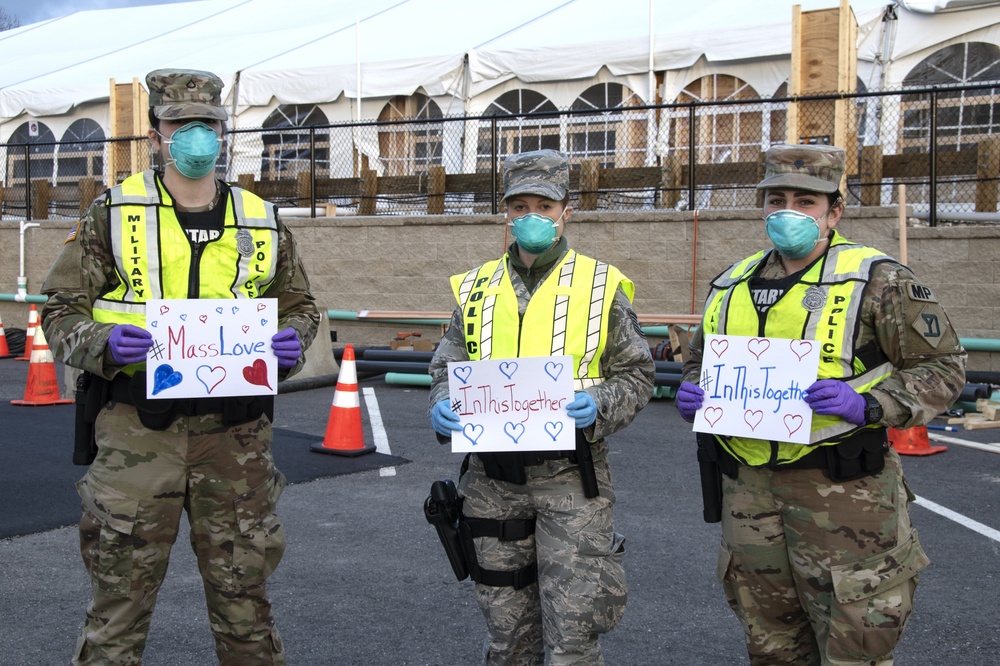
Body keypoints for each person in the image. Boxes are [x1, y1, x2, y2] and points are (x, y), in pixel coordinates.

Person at [41, 68, 320, 665]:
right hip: (137, 432)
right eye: (180, 124)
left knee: (246, 603)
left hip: (236, 438)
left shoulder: (262, 219)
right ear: (155, 134)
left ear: (223, 133)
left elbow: (300, 307)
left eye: (208, 125)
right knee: (118, 603)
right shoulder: (112, 213)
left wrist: (293, 340)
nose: (195, 135)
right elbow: (60, 312)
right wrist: (103, 343)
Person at [677, 144, 966, 665]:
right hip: (749, 494)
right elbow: (701, 363)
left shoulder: (880, 280)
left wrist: (869, 404)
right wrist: (693, 393)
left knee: (857, 641)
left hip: (844, 494)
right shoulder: (731, 282)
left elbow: (944, 370)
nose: (788, 211)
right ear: (761, 205)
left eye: (805, 200)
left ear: (834, 210)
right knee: (771, 645)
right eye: (777, 198)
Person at [427, 149, 655, 665]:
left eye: (544, 207)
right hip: (491, 482)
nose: (531, 217)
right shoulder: (477, 287)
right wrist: (442, 402)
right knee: (508, 635)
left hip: (571, 479)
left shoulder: (601, 286)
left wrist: (598, 403)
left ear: (566, 212)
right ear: (505, 213)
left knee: (572, 636)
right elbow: (448, 362)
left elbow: (638, 373)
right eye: (520, 205)